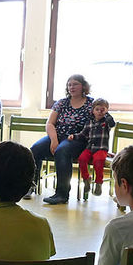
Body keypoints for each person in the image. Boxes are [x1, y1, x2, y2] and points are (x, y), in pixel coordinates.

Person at [30, 74, 94, 205]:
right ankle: (30, 186)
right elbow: (50, 124)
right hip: (57, 136)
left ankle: (62, 194)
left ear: (83, 86)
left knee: (62, 151)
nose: (72, 87)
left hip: (78, 138)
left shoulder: (91, 104)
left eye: (75, 84)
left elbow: (101, 122)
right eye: (69, 84)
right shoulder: (61, 102)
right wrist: (53, 140)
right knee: (34, 149)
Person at [68, 97, 115, 197]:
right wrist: (74, 136)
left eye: (102, 110)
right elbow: (83, 135)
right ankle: (86, 179)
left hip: (101, 148)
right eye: (97, 109)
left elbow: (112, 123)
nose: (99, 112)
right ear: (93, 110)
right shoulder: (89, 122)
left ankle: (98, 183)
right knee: (82, 159)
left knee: (98, 161)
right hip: (90, 148)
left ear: (106, 111)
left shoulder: (106, 122)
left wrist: (106, 113)